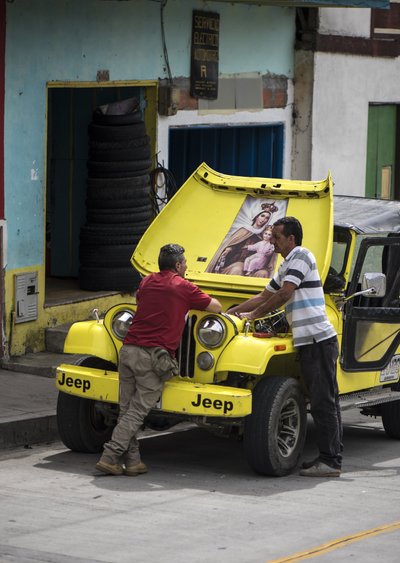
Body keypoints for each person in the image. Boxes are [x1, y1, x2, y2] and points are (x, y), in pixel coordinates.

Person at [227, 217, 342, 477]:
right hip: (311, 342)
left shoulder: (301, 255)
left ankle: (331, 461)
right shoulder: (287, 263)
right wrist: (231, 313)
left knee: (324, 402)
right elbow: (264, 295)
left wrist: (253, 316)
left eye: (277, 237)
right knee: (325, 401)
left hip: (318, 341)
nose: (273, 241)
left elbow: (284, 294)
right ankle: (329, 458)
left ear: (291, 239)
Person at [96, 243, 222, 476]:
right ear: (178, 265)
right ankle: (110, 455)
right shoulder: (183, 286)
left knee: (127, 410)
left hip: (128, 350)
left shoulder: (147, 281)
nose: (186, 266)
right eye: (185, 263)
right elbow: (216, 306)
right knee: (136, 412)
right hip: (152, 357)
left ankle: (133, 462)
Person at [207, 201, 279, 276]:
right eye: (262, 216)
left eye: (267, 218)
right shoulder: (244, 230)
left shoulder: (265, 234)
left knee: (263, 274)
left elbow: (272, 249)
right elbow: (235, 243)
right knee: (237, 270)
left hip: (260, 263)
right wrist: (229, 248)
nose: (264, 219)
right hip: (240, 261)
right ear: (257, 216)